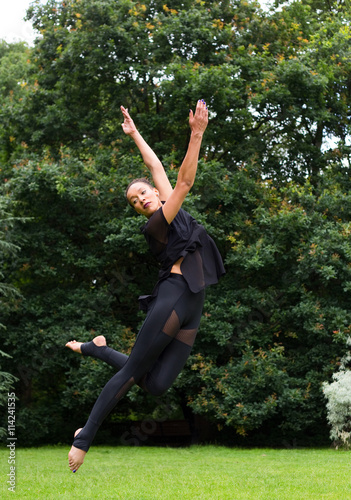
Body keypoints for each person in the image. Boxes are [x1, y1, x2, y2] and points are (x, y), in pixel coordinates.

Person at [65, 99, 225, 472]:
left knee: (156, 385)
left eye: (143, 193)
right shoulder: (157, 224)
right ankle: (85, 438)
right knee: (132, 373)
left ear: (155, 192)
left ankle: (98, 348)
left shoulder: (170, 204)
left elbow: (156, 168)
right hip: (172, 296)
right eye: (135, 202)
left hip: (193, 301)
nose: (141, 199)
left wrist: (135, 133)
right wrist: (197, 134)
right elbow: (185, 180)